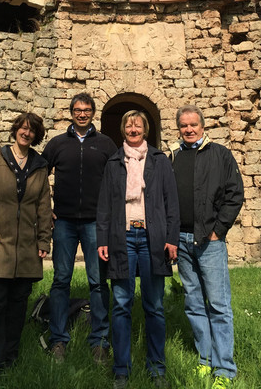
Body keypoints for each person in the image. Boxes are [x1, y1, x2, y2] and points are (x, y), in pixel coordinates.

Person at [97, 110, 180, 389]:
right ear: (123, 130)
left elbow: (171, 201)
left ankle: (157, 370)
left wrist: (172, 238)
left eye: (138, 125)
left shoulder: (159, 160)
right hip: (122, 237)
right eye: (128, 125)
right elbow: (105, 204)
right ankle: (121, 370)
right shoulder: (113, 163)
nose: (133, 129)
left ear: (145, 129)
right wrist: (103, 239)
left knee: (154, 305)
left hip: (151, 238)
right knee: (121, 304)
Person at [0, 112, 52, 386]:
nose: (26, 134)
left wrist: (43, 240)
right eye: (23, 128)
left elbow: (43, 207)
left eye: (32, 131)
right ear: (15, 130)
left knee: (17, 308)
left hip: (27, 250)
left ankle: (10, 360)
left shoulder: (40, 166)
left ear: (36, 136)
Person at [171, 105, 244, 389]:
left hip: (210, 242)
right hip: (182, 240)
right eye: (183, 126)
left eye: (193, 125)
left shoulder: (220, 155)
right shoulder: (174, 157)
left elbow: (234, 195)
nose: (189, 129)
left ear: (203, 126)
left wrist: (218, 231)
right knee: (193, 302)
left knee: (218, 305)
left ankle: (224, 370)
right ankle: (205, 359)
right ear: (179, 128)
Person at [42, 92, 117, 363]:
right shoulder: (57, 144)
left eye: (86, 110)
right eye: (77, 110)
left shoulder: (106, 144)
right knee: (61, 280)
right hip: (63, 221)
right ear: (71, 112)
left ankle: (99, 341)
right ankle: (58, 340)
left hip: (95, 222)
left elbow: (116, 180)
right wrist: (44, 208)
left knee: (98, 282)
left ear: (93, 113)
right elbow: (40, 174)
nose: (82, 114)